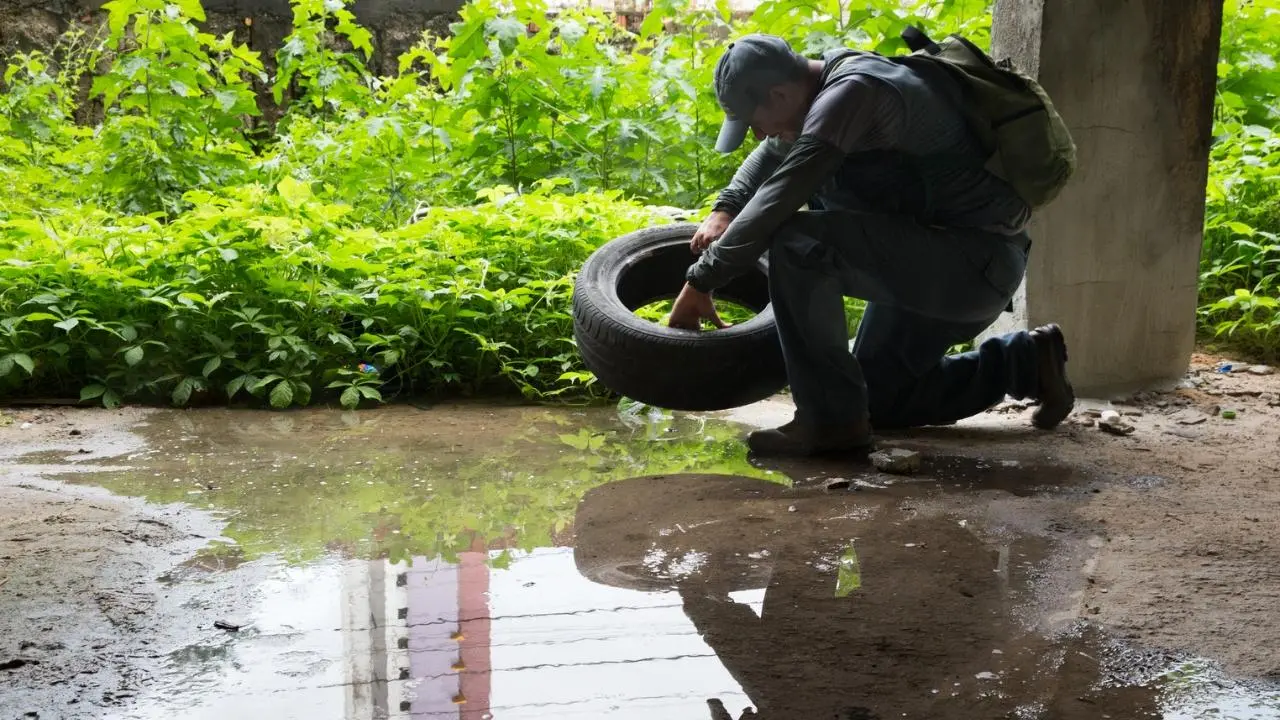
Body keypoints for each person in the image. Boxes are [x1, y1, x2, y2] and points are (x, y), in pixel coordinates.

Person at [665, 33, 1075, 457]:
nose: (755, 134)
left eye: (754, 121)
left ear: (779, 93)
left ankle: (828, 423)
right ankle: (1025, 362)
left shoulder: (855, 92)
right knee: (878, 398)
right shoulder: (818, 87)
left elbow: (781, 195)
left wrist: (701, 281)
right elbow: (771, 152)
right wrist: (726, 207)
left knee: (798, 242)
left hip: (971, 265)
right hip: (925, 257)